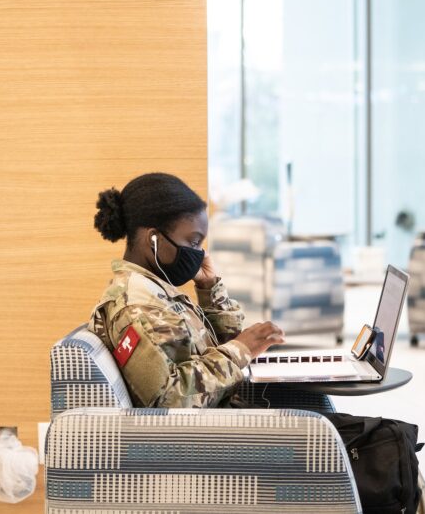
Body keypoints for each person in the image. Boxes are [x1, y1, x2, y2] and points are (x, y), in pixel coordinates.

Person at [87, 172, 285, 408]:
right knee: (338, 433)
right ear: (154, 240)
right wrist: (239, 350)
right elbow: (171, 401)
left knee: (340, 427)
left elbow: (216, 351)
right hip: (211, 437)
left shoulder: (156, 290)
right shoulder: (137, 306)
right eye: (193, 242)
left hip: (226, 417)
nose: (200, 254)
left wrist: (209, 289)